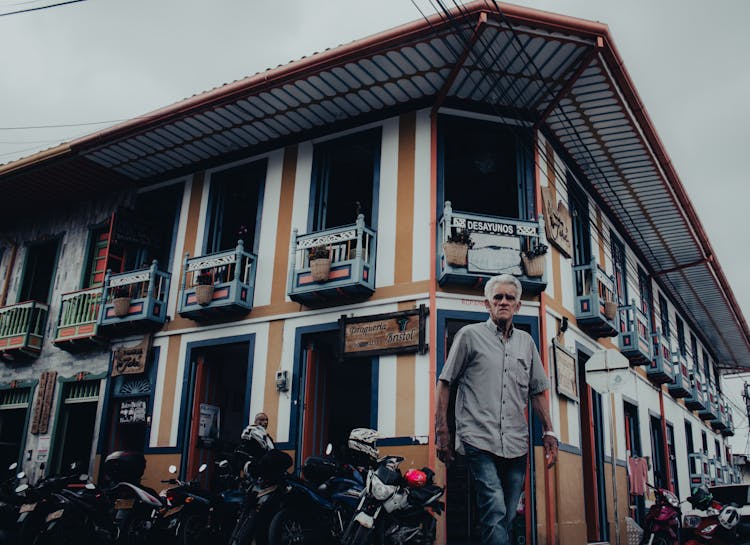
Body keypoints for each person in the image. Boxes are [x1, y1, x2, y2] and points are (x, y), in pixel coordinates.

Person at [435, 274, 558, 545]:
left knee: (508, 512)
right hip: (478, 437)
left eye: (509, 298)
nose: (503, 302)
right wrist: (442, 430)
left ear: (517, 306)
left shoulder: (526, 343)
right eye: (497, 298)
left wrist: (549, 430)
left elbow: (537, 391)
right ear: (487, 305)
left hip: (516, 442)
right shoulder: (470, 336)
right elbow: (445, 382)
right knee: (495, 507)